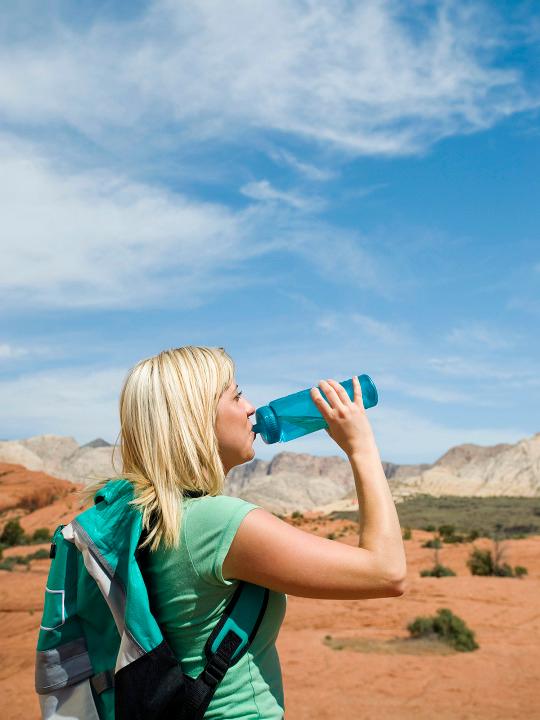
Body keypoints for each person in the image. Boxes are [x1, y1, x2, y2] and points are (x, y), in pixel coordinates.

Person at [115, 345, 407, 719]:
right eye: (236, 395)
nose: (251, 407)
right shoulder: (217, 523)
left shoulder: (147, 515)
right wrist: (362, 447)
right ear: (195, 417)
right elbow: (387, 572)